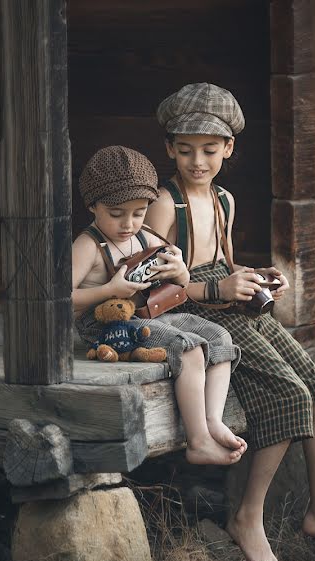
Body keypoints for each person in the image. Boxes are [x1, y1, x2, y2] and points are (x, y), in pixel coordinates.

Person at [145, 83, 315, 561]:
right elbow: (157, 293)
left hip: (230, 300)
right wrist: (222, 289)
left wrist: (257, 275)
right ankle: (248, 517)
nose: (197, 161)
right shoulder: (166, 205)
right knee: (289, 394)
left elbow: (220, 263)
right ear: (168, 149)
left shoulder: (223, 198)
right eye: (184, 150)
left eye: (208, 150)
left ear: (228, 149)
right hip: (199, 313)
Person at [72, 145, 247, 466]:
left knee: (220, 336)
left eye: (138, 213)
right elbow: (62, 298)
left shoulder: (144, 235)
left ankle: (212, 420)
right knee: (189, 347)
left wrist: (179, 267)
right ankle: (197, 441)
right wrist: (110, 289)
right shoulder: (88, 245)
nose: (128, 224)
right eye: (116, 214)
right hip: (106, 328)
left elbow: (180, 277)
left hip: (148, 314)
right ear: (92, 206)